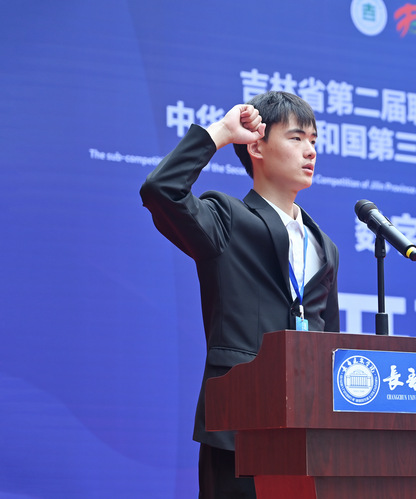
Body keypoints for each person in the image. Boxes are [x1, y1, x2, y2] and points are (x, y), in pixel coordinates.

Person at [140, 91, 340, 498]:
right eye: (296, 138)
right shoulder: (228, 218)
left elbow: (330, 344)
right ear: (257, 147)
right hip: (239, 426)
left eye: (313, 141)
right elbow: (162, 189)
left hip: (307, 434)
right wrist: (221, 133)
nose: (310, 151)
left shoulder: (324, 246)